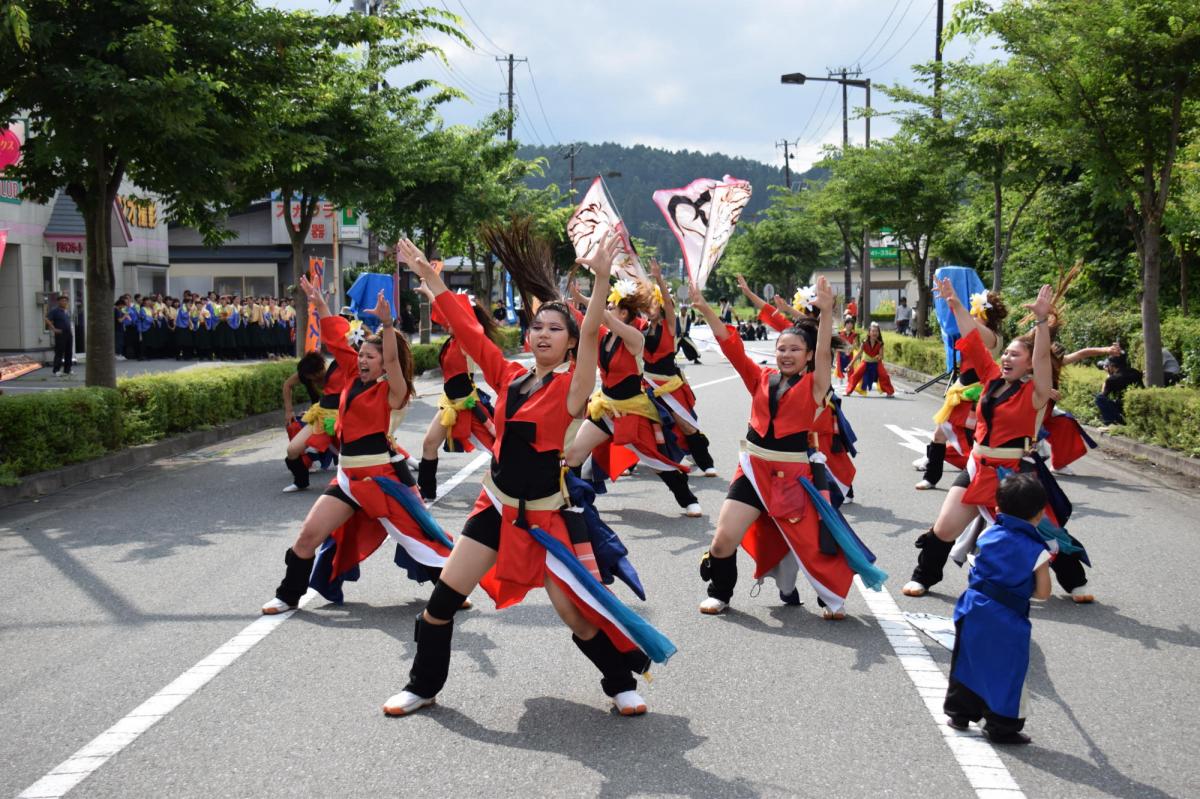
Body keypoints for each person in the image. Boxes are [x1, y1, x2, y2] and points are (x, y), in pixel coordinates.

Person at [384, 234, 674, 719]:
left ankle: (620, 682)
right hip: (495, 508)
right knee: (440, 604)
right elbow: (467, 329)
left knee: (576, 617)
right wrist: (429, 276)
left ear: (567, 340)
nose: (543, 334)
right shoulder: (507, 377)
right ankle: (422, 685)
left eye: (555, 329)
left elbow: (589, 340)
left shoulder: (572, 388)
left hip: (547, 519)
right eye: (537, 326)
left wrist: (601, 279)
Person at [687, 276, 886, 618]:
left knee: (815, 547)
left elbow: (825, 351)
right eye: (781, 348)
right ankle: (720, 592)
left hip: (793, 475)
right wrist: (705, 309)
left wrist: (826, 314)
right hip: (752, 469)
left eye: (795, 349)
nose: (786, 354)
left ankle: (829, 596)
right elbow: (731, 346)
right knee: (722, 540)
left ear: (808, 356)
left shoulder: (815, 386)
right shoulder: (761, 378)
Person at [262, 276, 453, 614]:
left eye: (370, 357)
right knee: (308, 535)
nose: (362, 360)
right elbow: (336, 341)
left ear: (382, 363)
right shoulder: (351, 375)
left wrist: (388, 324)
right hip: (349, 478)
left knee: (418, 537)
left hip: (382, 480)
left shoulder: (392, 390)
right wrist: (320, 305)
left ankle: (451, 592)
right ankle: (287, 595)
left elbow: (394, 362)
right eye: (361, 354)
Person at [902, 282, 1093, 604]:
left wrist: (1042, 322)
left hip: (1015, 472)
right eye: (1005, 353)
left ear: (1030, 364)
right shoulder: (990, 378)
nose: (1005, 357)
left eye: (1015, 354)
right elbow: (973, 341)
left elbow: (1044, 356)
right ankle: (923, 577)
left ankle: (1075, 582)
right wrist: (954, 303)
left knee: (1046, 529)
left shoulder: (1036, 393)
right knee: (945, 527)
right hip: (978, 466)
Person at [565, 275, 702, 517]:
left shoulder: (635, 338)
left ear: (625, 313)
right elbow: (586, 322)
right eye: (605, 306)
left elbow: (600, 315)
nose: (606, 310)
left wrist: (590, 301)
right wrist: (571, 303)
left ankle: (687, 498)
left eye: (611, 306)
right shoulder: (604, 335)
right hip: (605, 406)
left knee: (656, 460)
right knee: (574, 454)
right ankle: (577, 503)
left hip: (633, 410)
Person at [944, 473, 1052, 745]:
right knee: (1007, 670)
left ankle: (959, 713)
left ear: (999, 508)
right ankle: (1001, 726)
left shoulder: (987, 533)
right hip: (1008, 618)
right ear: (1039, 514)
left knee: (967, 659)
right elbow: (1043, 592)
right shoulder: (1037, 549)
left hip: (973, 607)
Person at [914, 288, 1008, 491]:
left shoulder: (992, 337)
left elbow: (971, 330)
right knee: (939, 435)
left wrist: (957, 306)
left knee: (971, 441)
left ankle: (983, 477)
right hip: (961, 389)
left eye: (976, 313)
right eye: (971, 313)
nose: (972, 316)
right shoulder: (974, 327)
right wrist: (953, 304)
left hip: (976, 394)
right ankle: (931, 477)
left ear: (985, 315)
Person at [413, 288, 501, 500]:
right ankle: (426, 491)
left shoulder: (466, 341)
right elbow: (444, 312)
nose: (446, 321)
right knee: (429, 443)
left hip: (469, 407)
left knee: (499, 450)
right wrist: (429, 291)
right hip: (450, 405)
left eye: (453, 317)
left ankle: (516, 487)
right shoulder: (452, 339)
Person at [638, 259, 717, 477]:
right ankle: (632, 462)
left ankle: (705, 461)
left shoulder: (669, 325)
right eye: (647, 306)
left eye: (654, 304)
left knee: (686, 425)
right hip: (648, 383)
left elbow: (668, 303)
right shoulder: (641, 328)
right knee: (637, 421)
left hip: (670, 383)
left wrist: (658, 278)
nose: (650, 309)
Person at [281, 347, 346, 493]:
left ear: (322, 367)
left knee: (345, 450)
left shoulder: (337, 371)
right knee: (292, 450)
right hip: (319, 414)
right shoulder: (306, 374)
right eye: (312, 377)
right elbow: (287, 385)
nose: (315, 379)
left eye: (317, 375)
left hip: (341, 416)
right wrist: (289, 410)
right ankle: (301, 482)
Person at [844, 322, 895, 397]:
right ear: (869, 332)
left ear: (878, 333)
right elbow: (858, 354)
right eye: (873, 331)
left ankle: (889, 392)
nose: (875, 333)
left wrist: (879, 356)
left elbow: (881, 356)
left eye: (876, 331)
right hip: (866, 362)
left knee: (884, 375)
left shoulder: (880, 343)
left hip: (877, 363)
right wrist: (850, 365)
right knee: (856, 374)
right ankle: (848, 391)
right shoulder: (864, 343)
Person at [1094, 353, 1143, 425]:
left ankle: (1111, 422)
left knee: (1099, 398)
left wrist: (1109, 377)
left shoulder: (1112, 379)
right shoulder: (1135, 372)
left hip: (1123, 407)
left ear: (1112, 365)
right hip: (1137, 403)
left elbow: (1103, 395)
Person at [45, 294, 73, 377]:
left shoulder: (67, 311)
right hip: (60, 333)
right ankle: (56, 370)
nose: (64, 302)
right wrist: (54, 329)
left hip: (68, 333)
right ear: (59, 302)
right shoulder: (55, 311)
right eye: (62, 301)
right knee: (59, 352)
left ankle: (67, 370)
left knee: (69, 352)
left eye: (65, 301)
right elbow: (47, 319)